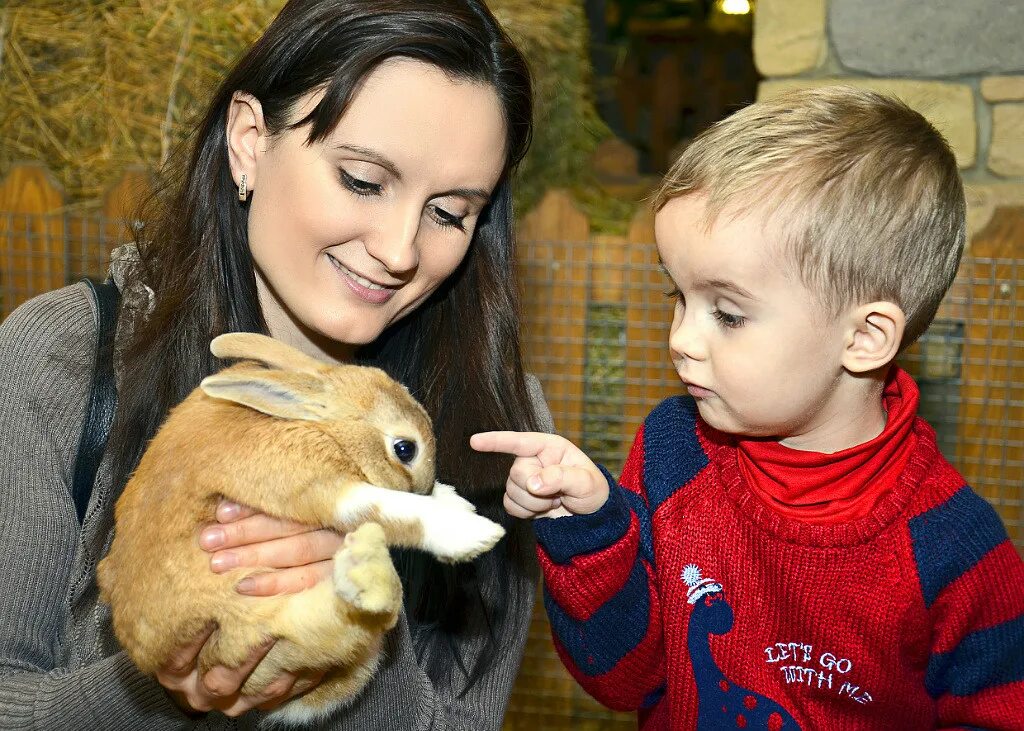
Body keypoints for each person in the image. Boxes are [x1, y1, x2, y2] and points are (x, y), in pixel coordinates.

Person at [0, 0, 552, 728]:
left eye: (449, 212)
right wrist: (164, 683)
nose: (399, 249)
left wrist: (353, 639)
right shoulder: (62, 359)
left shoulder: (499, 429)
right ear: (250, 140)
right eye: (362, 179)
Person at [472, 86, 1024, 729]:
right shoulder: (675, 451)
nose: (679, 338)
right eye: (678, 297)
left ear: (866, 337)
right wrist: (592, 530)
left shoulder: (956, 548)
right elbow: (622, 679)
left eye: (728, 314)